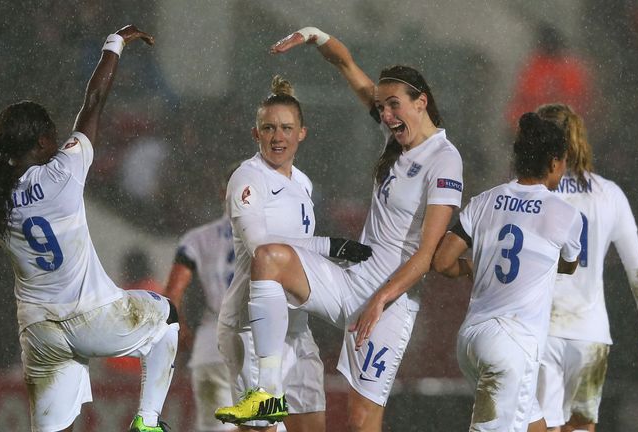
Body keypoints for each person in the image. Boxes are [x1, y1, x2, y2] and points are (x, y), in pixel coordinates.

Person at [0, 25, 177, 432]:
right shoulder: (64, 172)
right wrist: (116, 42)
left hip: (40, 332)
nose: (57, 140)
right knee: (168, 318)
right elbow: (94, 100)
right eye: (51, 135)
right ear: (40, 141)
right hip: (92, 319)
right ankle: (146, 422)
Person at [217, 27, 463, 432]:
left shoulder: (444, 160)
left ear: (421, 103)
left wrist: (380, 300)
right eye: (382, 106)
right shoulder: (396, 136)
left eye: (394, 105)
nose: (385, 115)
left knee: (362, 420)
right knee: (268, 258)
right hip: (350, 282)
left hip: (389, 303)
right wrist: (314, 36)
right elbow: (347, 64)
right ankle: (265, 393)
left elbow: (427, 256)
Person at [214, 75, 371, 432]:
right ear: (256, 134)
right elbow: (263, 252)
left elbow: (295, 255)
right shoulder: (247, 178)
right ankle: (263, 393)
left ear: (302, 132)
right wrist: (328, 246)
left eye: (286, 128)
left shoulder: (303, 183)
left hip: (296, 328)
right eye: (268, 128)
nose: (277, 136)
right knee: (262, 428)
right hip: (250, 329)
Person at [433, 112, 583, 432]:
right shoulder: (566, 214)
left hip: (472, 340)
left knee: (534, 425)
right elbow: (568, 265)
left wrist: (471, 267)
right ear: (555, 162)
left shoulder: (484, 201)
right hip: (512, 346)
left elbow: (442, 262)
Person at [534, 103, 638, 432]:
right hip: (590, 335)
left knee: (542, 426)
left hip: (540, 329)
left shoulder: (531, 192)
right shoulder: (609, 194)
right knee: (580, 427)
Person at [163, 174, 238, 432]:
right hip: (262, 343)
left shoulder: (198, 238)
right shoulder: (274, 235)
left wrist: (179, 327)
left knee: (215, 428)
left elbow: (172, 293)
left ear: (222, 193)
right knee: (266, 425)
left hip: (212, 343)